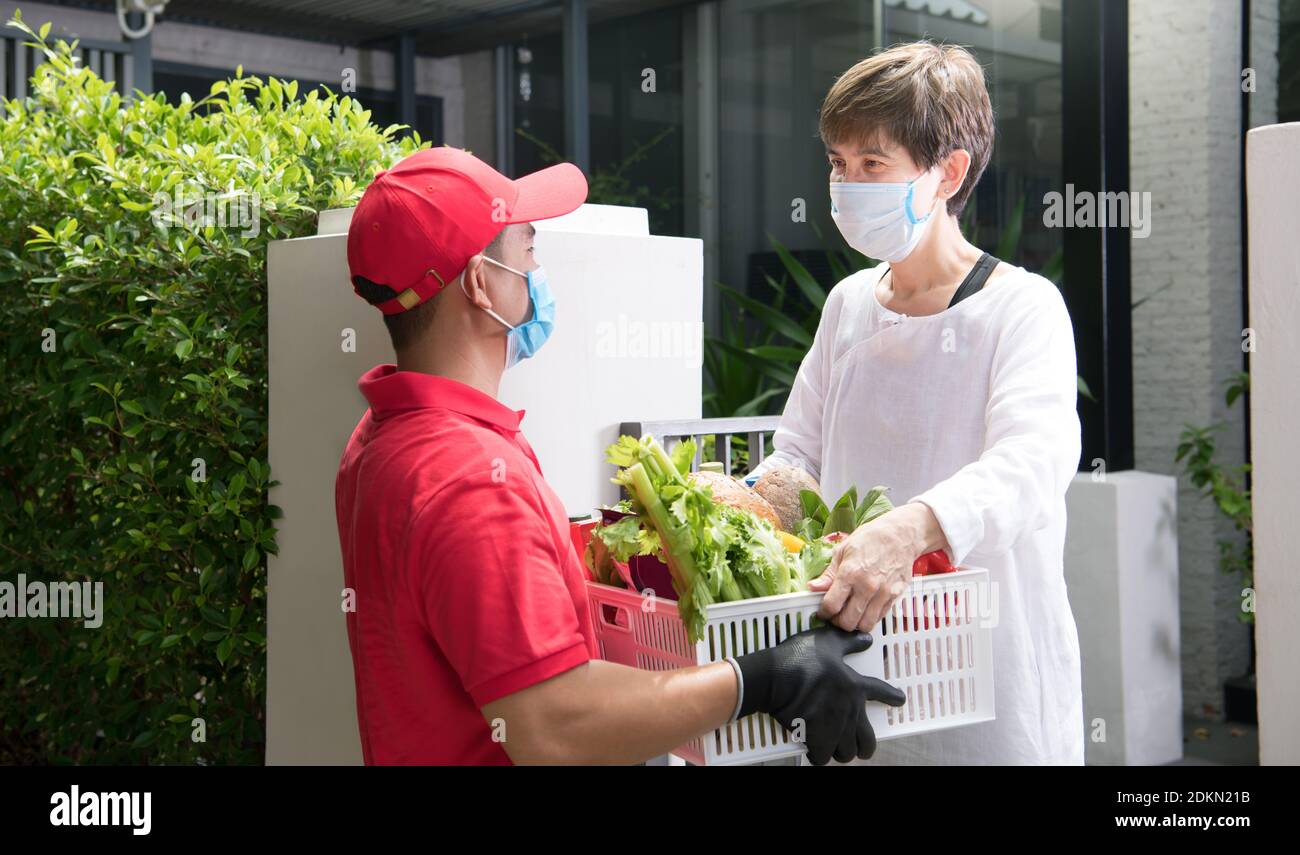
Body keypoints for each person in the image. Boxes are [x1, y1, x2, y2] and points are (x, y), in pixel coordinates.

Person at [333, 146, 905, 765]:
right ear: (478, 283)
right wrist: (759, 677)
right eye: (527, 248)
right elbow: (556, 727)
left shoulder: (378, 438)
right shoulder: (470, 480)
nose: (537, 266)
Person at [747, 42, 1085, 765]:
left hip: (989, 689)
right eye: (838, 163)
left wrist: (910, 531)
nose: (846, 183)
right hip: (856, 671)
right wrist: (738, 505)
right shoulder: (848, 304)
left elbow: (1032, 461)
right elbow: (797, 455)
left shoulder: (1022, 307)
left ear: (948, 172)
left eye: (873, 163)